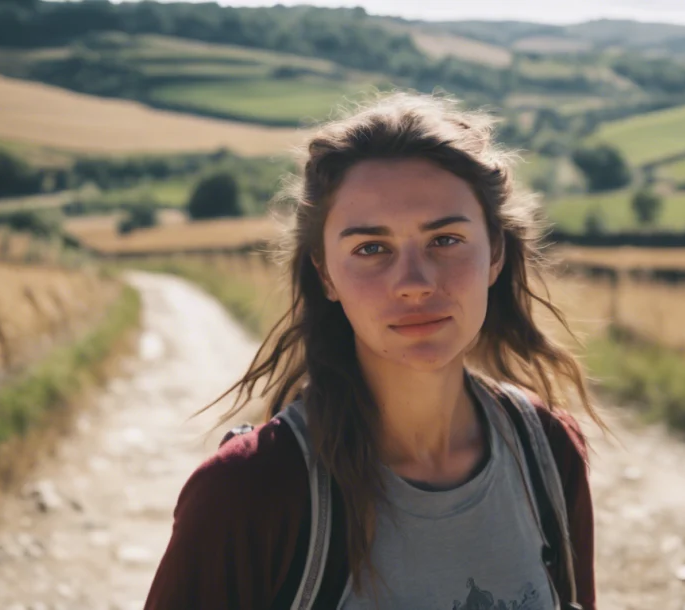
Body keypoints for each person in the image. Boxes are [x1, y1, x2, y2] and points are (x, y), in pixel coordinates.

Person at [143, 92, 602, 609]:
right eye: (371, 249)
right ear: (325, 274)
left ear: (494, 253)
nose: (414, 282)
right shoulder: (248, 492)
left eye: (445, 240)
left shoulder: (547, 453)